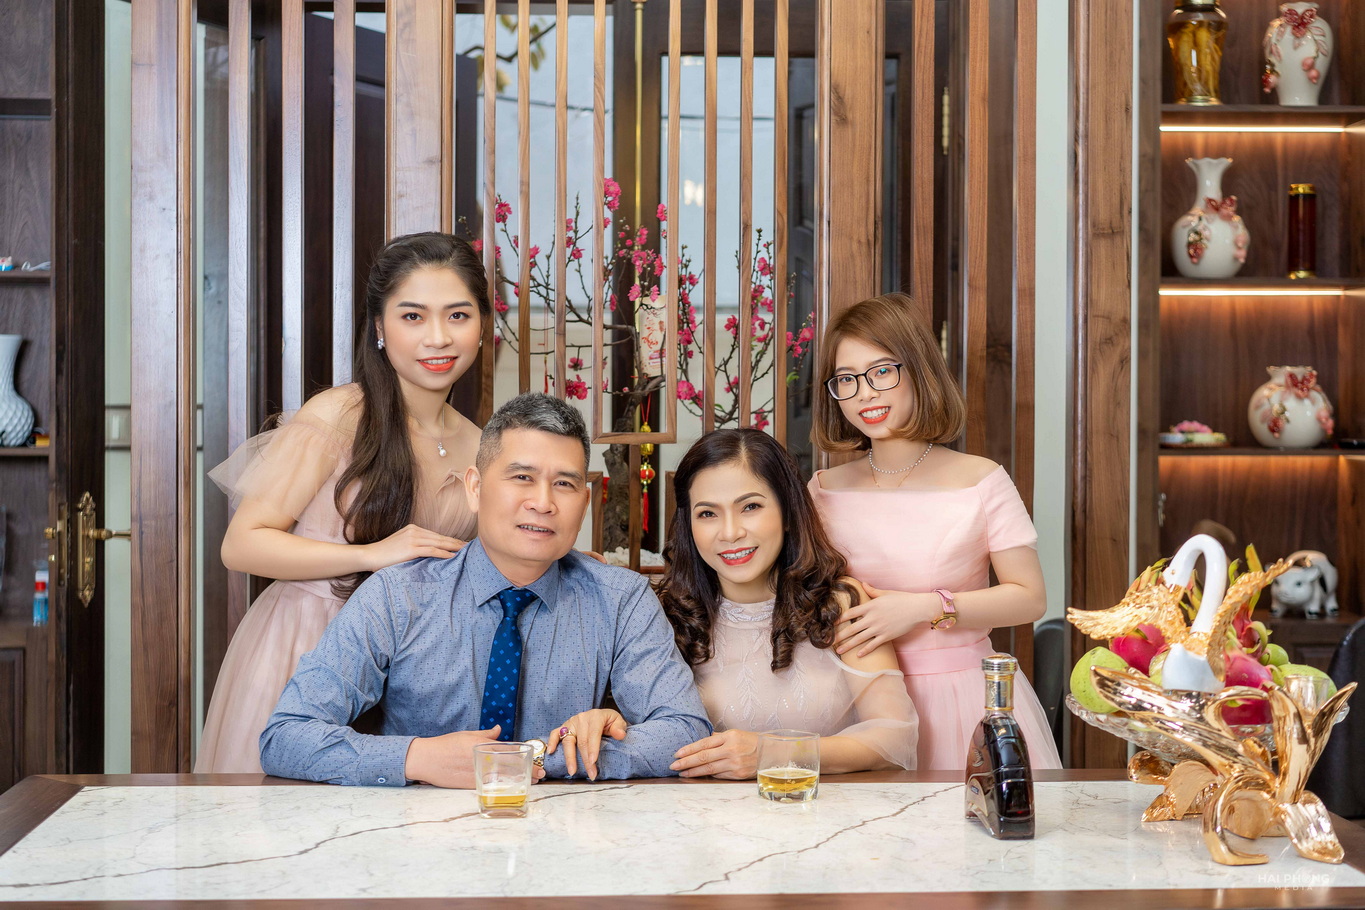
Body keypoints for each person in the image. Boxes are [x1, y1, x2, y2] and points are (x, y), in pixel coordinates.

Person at [260, 393, 711, 787]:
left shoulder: (620, 599)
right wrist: (418, 758)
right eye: (522, 477)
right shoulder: (399, 595)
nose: (543, 502)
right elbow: (286, 735)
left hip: (565, 836)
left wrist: (540, 757)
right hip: (417, 834)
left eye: (564, 484)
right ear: (474, 488)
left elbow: (685, 731)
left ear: (585, 503)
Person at [196, 233, 488, 774]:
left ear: (482, 326)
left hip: (411, 666)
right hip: (306, 646)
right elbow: (241, 545)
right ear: (379, 327)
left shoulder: (479, 443)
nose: (438, 337)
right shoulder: (338, 415)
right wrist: (369, 555)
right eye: (413, 316)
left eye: (458, 315)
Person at [807, 293, 1062, 771]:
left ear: (919, 370)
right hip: (856, 704)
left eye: (881, 371)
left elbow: (1030, 598)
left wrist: (925, 607)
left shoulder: (982, 479)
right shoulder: (822, 490)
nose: (865, 393)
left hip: (959, 698)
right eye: (846, 379)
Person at [648, 429, 918, 779]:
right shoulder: (663, 615)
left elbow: (896, 738)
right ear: (689, 524)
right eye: (708, 514)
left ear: (788, 512)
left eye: (750, 507)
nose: (730, 533)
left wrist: (773, 753)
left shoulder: (839, 603)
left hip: (825, 808)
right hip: (700, 810)